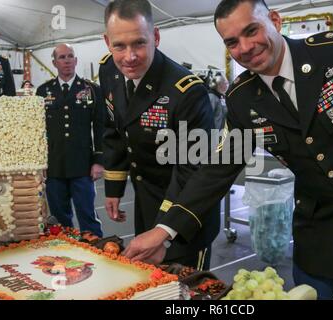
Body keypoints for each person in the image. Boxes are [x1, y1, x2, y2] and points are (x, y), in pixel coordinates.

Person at [146, 0, 333, 299]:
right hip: (318, 229)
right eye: (232, 42)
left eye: (252, 30)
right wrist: (165, 230)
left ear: (275, 20)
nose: (245, 47)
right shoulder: (242, 98)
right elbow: (219, 166)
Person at [99, 0, 219, 270]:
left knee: (186, 291)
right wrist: (113, 188)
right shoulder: (110, 71)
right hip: (145, 199)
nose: (129, 56)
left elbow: (193, 168)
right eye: (119, 45)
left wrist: (165, 228)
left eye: (139, 43)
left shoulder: (186, 91)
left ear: (155, 36)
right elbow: (115, 130)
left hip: (186, 213)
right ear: (107, 42)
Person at [36, 43, 105, 237]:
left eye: (70, 56)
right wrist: (40, 163)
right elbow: (38, 130)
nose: (67, 61)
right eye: (62, 57)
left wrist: (99, 161)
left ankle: (98, 254)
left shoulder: (91, 90)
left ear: (76, 60)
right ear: (54, 63)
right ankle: (66, 256)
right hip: (54, 165)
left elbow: (100, 127)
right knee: (60, 218)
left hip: (82, 165)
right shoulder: (43, 91)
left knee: (87, 216)